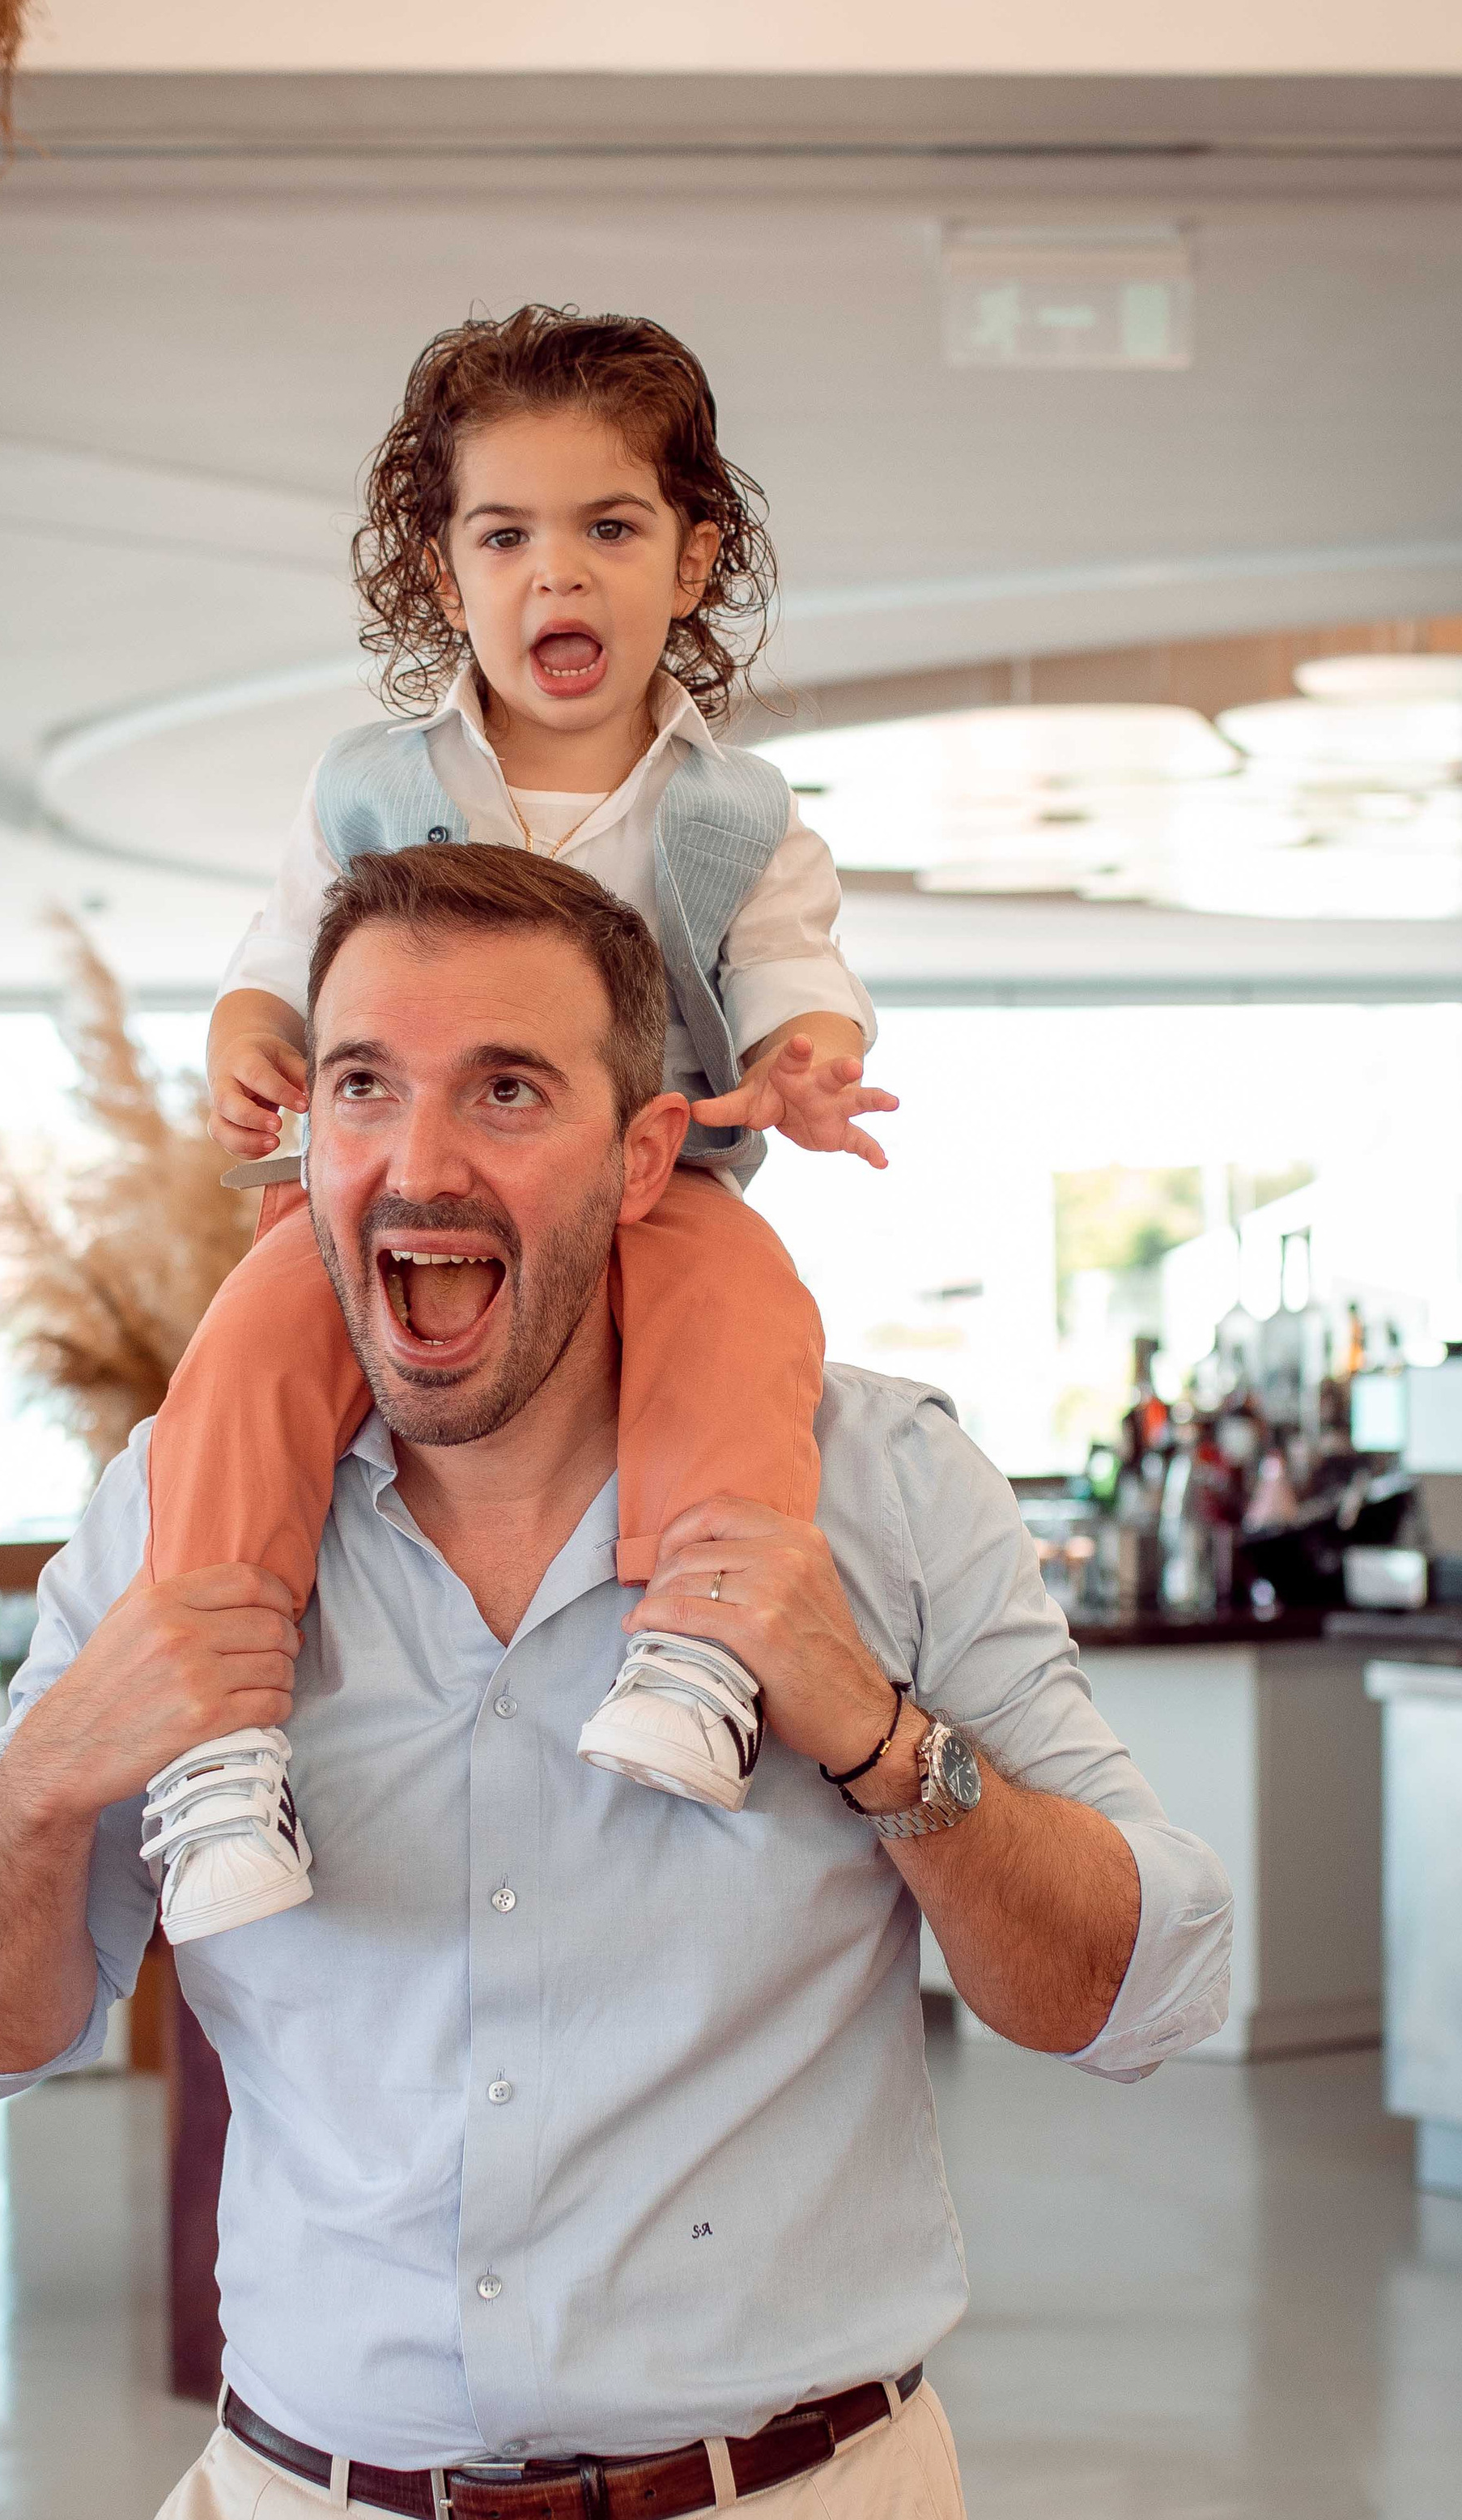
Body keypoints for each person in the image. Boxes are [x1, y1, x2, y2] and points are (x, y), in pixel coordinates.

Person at [0, 842, 1233, 2520]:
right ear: (300, 1127)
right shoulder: (166, 1513)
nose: (420, 1156)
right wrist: (44, 1782)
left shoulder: (880, 1490)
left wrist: (873, 1734)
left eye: (509, 1091)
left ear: (649, 1150)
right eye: (367, 1084)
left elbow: (1142, 1983)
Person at [140, 303, 897, 1948]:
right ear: (443, 572)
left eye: (608, 527)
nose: (556, 574)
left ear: (691, 562)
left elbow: (791, 973)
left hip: (651, 1172)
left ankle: (695, 1650)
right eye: (505, 533)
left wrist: (804, 1068)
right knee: (249, 1355)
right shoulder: (360, 791)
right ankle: (210, 1741)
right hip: (406, 1190)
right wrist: (250, 1041)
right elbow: (272, 965)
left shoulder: (733, 819)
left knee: (744, 1318)